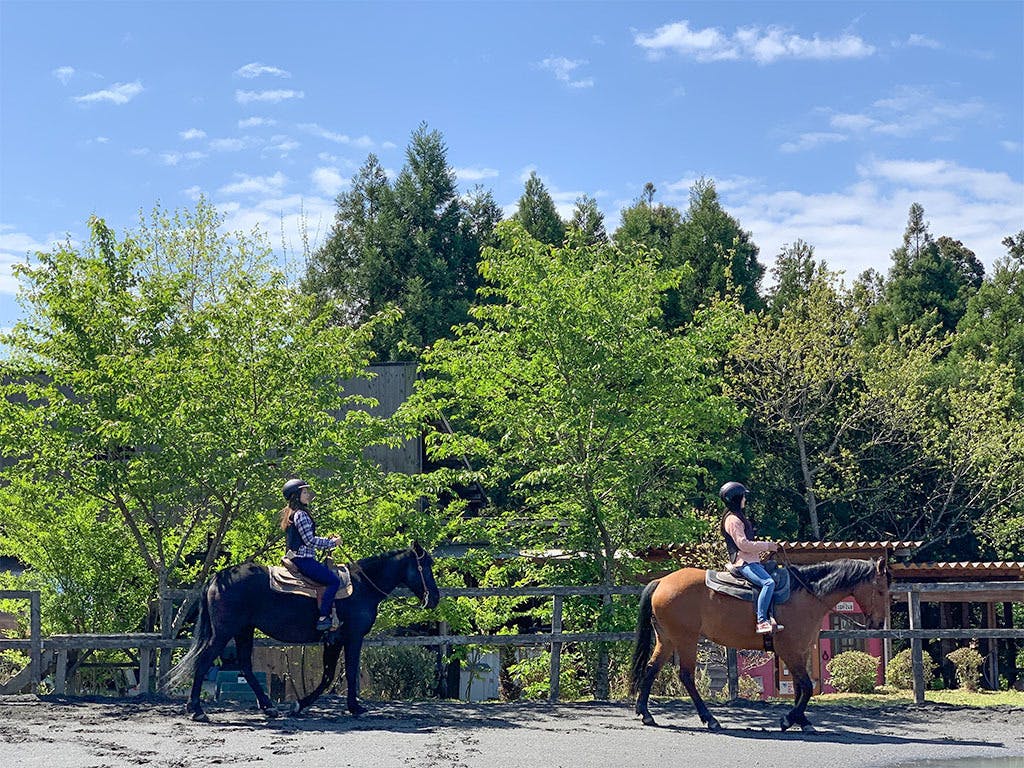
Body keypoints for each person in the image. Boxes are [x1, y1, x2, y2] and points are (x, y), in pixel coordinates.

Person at [719, 481, 783, 634]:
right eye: (743, 497)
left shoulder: (737, 518)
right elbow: (743, 545)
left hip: (751, 560)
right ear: (736, 499)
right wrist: (767, 546)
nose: (745, 500)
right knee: (768, 583)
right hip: (744, 563)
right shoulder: (733, 520)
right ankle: (761, 621)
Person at [279, 478, 342, 632]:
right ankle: (323, 617)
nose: (308, 495)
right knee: (334, 581)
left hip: (296, 558)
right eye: (305, 492)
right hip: (303, 560)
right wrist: (332, 543)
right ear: (296, 495)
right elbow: (310, 541)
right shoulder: (301, 515)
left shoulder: (292, 514)